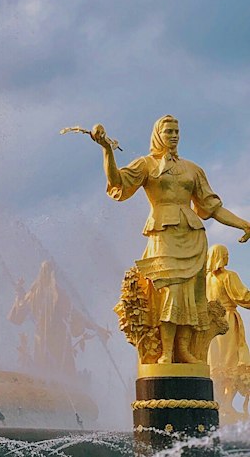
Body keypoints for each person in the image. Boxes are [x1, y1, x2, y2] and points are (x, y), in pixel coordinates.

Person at [91, 114, 250, 364]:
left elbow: (213, 207)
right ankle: (165, 351)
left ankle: (183, 351)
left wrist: (243, 223)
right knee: (170, 291)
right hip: (162, 234)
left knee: (190, 294)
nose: (174, 136)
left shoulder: (193, 169)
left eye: (177, 131)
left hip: (192, 235)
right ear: (158, 135)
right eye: (168, 132)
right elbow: (117, 183)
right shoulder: (147, 165)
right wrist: (107, 151)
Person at [207, 244, 250, 416]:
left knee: (216, 363)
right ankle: (226, 404)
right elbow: (243, 296)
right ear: (219, 257)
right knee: (232, 362)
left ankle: (220, 403)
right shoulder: (228, 276)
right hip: (228, 324)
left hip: (210, 324)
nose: (228, 258)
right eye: (225, 254)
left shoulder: (204, 279)